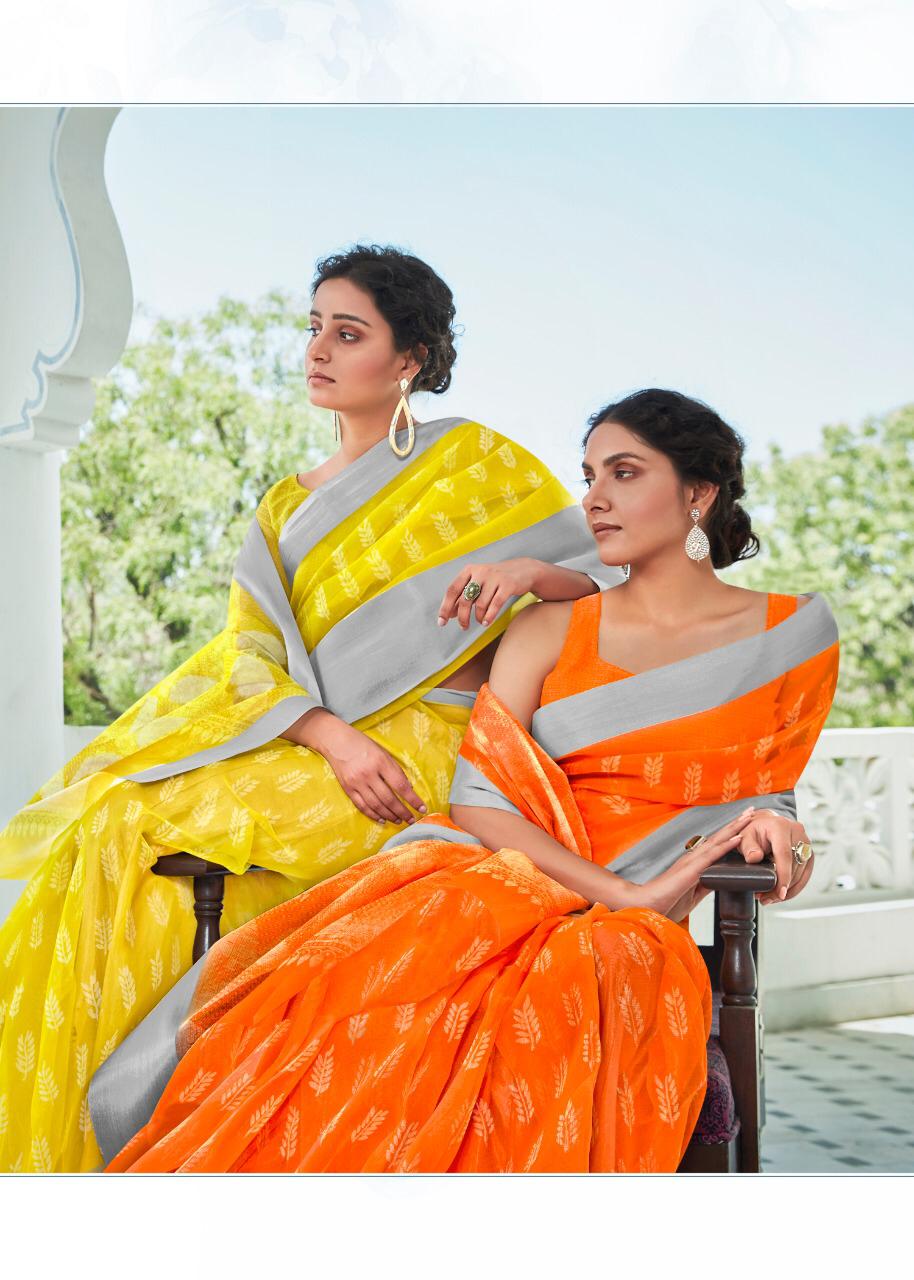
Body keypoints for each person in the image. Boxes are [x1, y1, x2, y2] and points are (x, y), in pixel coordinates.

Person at [93, 388, 840, 1173]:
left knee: (565, 990)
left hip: (632, 937)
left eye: (624, 473)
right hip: (497, 885)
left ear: (699, 493)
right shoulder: (547, 626)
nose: (594, 498)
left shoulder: (792, 632)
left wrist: (783, 831)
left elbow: (768, 790)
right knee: (345, 1013)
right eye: (589, 476)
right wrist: (625, 894)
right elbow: (479, 798)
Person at [0, 244, 620, 1173]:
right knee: (112, 835)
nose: (318, 350)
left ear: (409, 359)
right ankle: (98, 1148)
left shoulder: (475, 464)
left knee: (133, 829)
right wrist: (332, 737)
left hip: (431, 753)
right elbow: (250, 654)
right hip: (326, 750)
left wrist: (532, 570)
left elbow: (618, 577)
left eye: (349, 333)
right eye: (313, 328)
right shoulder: (285, 507)